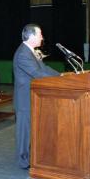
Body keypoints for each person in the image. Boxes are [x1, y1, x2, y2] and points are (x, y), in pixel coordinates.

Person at [13, 24, 60, 169]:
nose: (42, 37)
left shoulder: (30, 51)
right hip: (25, 100)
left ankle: (30, 155)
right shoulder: (23, 54)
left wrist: (61, 76)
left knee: (31, 128)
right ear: (32, 36)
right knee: (24, 131)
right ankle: (23, 161)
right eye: (40, 35)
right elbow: (38, 74)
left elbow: (44, 68)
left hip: (32, 97)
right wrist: (58, 80)